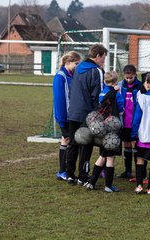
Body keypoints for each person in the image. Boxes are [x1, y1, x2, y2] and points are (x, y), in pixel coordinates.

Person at [66, 44, 108, 185]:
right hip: (87, 113)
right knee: (86, 145)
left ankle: (70, 174)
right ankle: (82, 176)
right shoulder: (96, 71)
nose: (104, 62)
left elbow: (72, 90)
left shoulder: (78, 68)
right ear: (97, 57)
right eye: (103, 58)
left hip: (73, 112)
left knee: (72, 143)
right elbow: (98, 95)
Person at [85, 71, 124, 192]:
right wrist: (119, 93)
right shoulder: (116, 94)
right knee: (110, 157)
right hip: (112, 128)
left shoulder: (102, 93)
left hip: (102, 127)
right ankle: (108, 185)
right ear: (116, 82)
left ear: (104, 81)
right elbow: (121, 110)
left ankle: (91, 182)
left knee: (102, 156)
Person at [53, 51, 81, 181]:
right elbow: (59, 100)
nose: (77, 66)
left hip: (72, 116)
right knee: (67, 140)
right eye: (76, 63)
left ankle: (65, 171)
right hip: (66, 117)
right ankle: (62, 171)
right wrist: (62, 120)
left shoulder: (71, 75)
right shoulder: (61, 76)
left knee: (69, 141)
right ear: (68, 62)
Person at [116, 65, 142, 180]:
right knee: (126, 145)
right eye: (126, 78)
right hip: (124, 121)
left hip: (135, 122)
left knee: (135, 145)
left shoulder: (140, 86)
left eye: (130, 78)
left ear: (135, 75)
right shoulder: (121, 86)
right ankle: (127, 171)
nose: (128, 80)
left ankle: (138, 172)